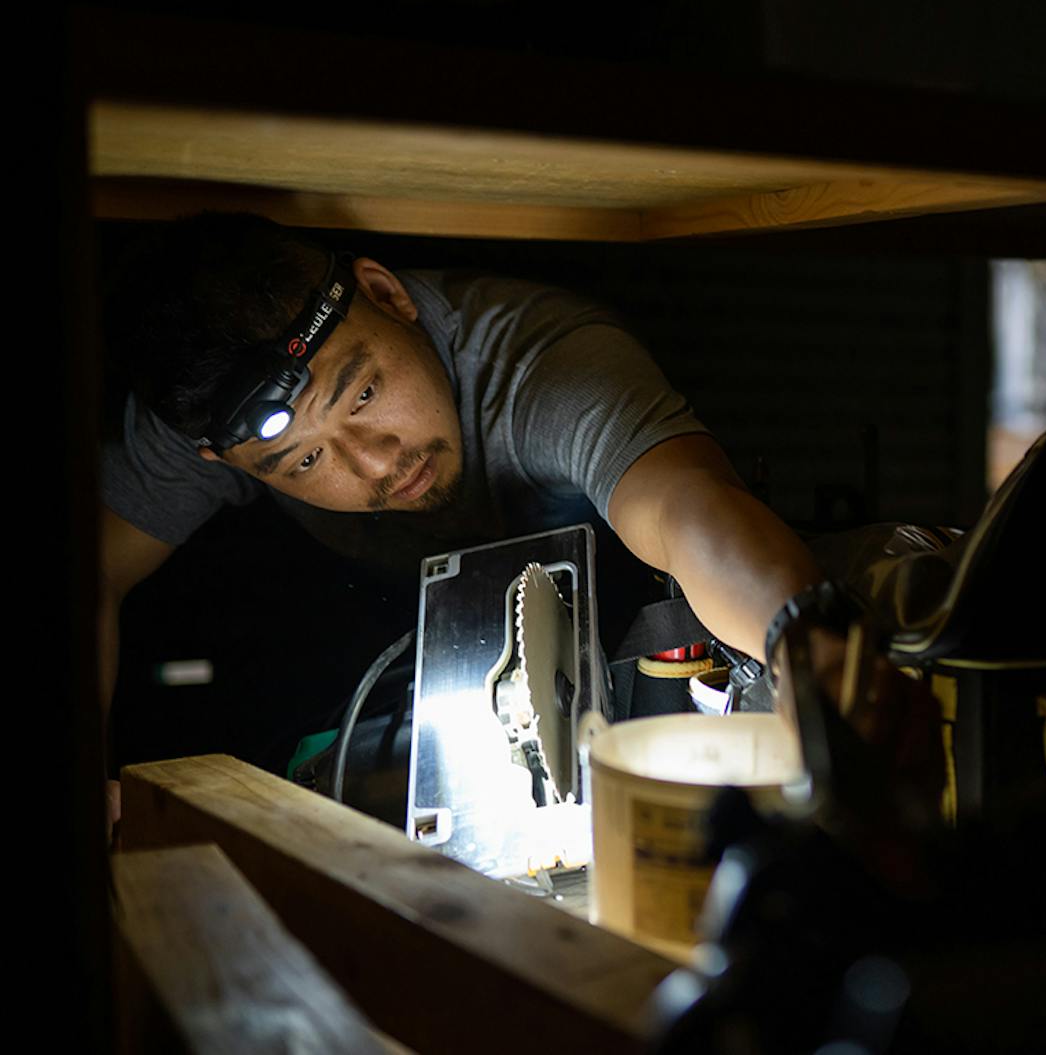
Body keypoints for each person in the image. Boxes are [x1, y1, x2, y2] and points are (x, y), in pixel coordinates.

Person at [98, 212, 846, 819]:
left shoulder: (544, 362)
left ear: (387, 294)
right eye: (304, 462)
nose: (375, 460)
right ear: (222, 462)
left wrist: (814, 662)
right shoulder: (199, 427)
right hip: (393, 651)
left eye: (361, 394)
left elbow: (690, 512)